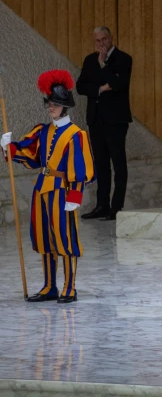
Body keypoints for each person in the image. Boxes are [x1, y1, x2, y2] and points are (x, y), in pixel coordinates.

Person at [1, 70, 95, 303]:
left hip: (63, 192)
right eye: (49, 103)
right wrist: (9, 147)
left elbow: (81, 168)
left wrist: (75, 195)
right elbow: (30, 153)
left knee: (65, 239)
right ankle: (49, 286)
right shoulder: (43, 131)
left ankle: (69, 287)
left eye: (54, 103)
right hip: (42, 189)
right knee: (45, 239)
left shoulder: (76, 135)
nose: (50, 107)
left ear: (65, 106)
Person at [76, 26, 132, 221]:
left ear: (111, 38)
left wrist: (104, 66)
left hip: (116, 120)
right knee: (100, 164)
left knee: (118, 163)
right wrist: (99, 89)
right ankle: (102, 205)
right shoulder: (90, 60)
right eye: (97, 41)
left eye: (104, 39)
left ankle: (116, 207)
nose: (101, 44)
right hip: (96, 118)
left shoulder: (123, 59)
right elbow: (80, 86)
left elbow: (118, 85)